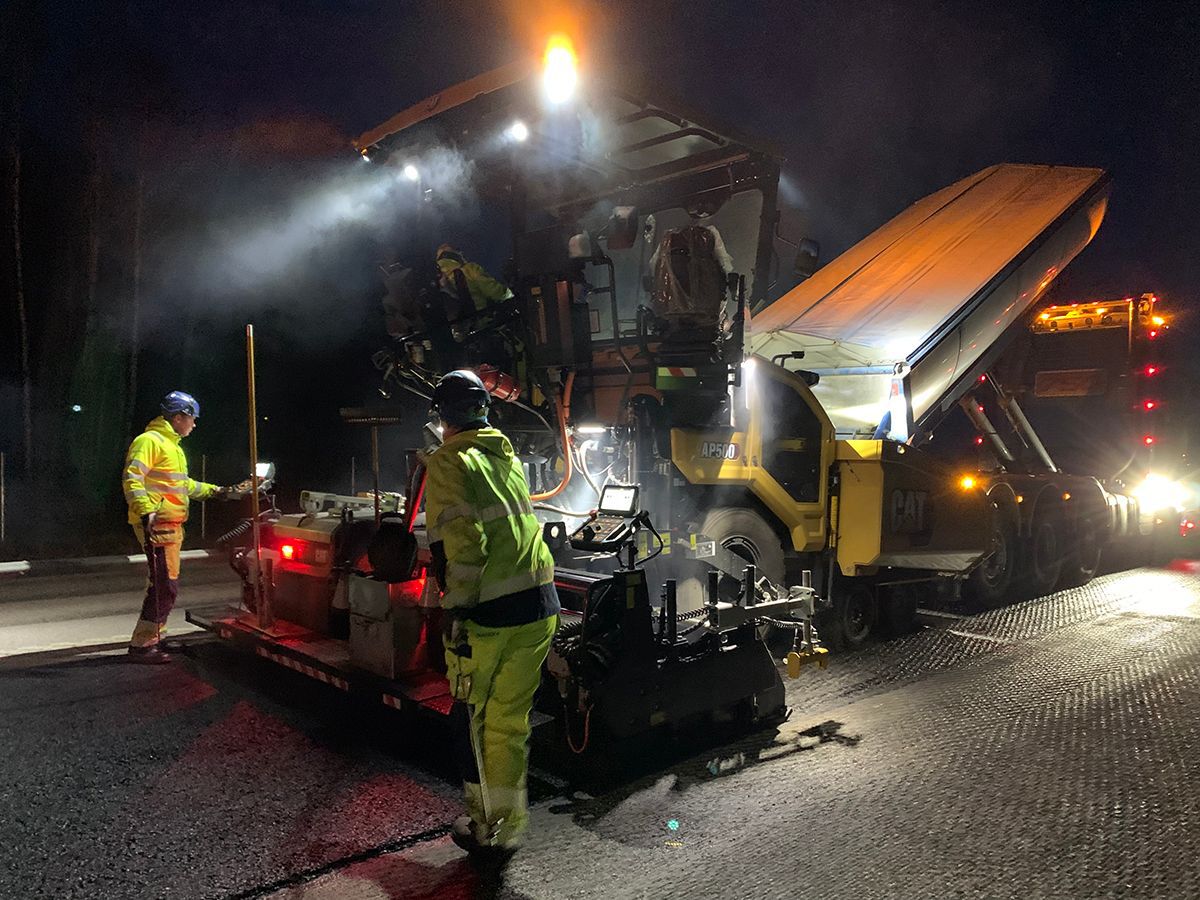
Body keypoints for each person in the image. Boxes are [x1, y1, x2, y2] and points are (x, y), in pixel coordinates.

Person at [423, 370, 560, 857]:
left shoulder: (448, 460)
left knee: (473, 721)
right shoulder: (506, 456)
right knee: (508, 723)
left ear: (443, 417)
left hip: (489, 615)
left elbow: (466, 546)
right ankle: (508, 826)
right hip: (539, 606)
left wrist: (455, 609)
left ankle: (485, 828)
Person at [122, 391, 246, 663]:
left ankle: (155, 638)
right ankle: (142, 647)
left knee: (163, 585)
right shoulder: (150, 441)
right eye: (192, 418)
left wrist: (218, 491)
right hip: (158, 525)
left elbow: (182, 484)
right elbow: (132, 478)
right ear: (178, 417)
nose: (194, 424)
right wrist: (146, 510)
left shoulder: (171, 445)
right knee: (164, 587)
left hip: (169, 525)